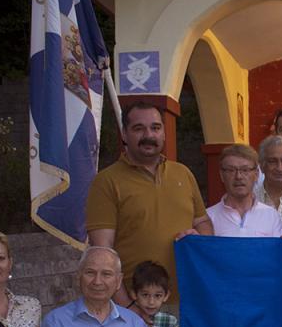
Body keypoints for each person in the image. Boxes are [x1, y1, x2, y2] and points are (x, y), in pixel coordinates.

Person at [86, 101, 213, 307]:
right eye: (139, 128)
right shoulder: (106, 181)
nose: (149, 135)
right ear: (124, 134)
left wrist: (199, 238)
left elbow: (203, 222)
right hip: (136, 304)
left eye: (155, 128)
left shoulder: (183, 173)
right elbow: (103, 251)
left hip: (189, 302)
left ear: (164, 133)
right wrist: (129, 308)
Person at [206, 144, 282, 238]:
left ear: (256, 174)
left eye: (245, 170)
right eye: (231, 170)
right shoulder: (208, 218)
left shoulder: (271, 216)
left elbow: (277, 247)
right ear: (222, 175)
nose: (238, 176)